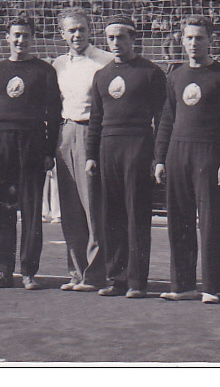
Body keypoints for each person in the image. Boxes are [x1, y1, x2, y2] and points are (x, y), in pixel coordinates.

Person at [154, 16, 220, 304]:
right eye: (189, 38)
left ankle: (211, 286)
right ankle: (182, 284)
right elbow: (167, 119)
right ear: (181, 40)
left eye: (199, 37)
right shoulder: (175, 75)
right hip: (178, 152)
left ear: (210, 40)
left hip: (208, 152)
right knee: (178, 221)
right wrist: (160, 158)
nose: (193, 43)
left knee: (210, 222)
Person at [86, 16, 166, 299]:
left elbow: (162, 118)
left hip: (138, 146)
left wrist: (157, 157)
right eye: (111, 38)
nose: (116, 43)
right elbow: (96, 118)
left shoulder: (151, 73)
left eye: (121, 37)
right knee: (112, 216)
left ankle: (137, 281)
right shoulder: (102, 75)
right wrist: (91, 155)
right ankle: (116, 278)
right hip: (109, 148)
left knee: (136, 216)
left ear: (134, 39)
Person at [0, 17, 62, 290]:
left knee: (30, 209)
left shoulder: (44, 71)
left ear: (32, 39)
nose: (20, 41)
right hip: (1, 141)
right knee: (2, 210)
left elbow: (53, 113)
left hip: (32, 141)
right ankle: (4, 271)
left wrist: (49, 151)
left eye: (25, 36)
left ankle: (28, 271)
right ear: (7, 38)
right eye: (16, 35)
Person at [52, 7, 114, 292]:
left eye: (82, 29)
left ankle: (95, 274)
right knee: (70, 207)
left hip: (92, 132)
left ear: (91, 30)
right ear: (62, 34)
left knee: (94, 206)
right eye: (71, 30)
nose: (77, 34)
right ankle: (76, 272)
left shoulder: (105, 61)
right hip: (66, 132)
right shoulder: (58, 65)